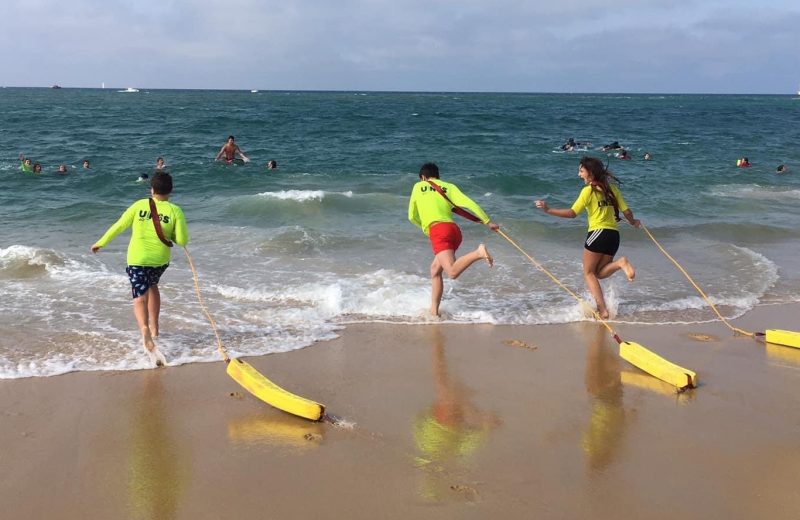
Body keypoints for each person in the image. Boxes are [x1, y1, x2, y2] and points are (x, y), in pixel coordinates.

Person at [91, 172, 189, 367]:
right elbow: (182, 241)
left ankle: (144, 328)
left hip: (137, 259)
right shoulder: (175, 210)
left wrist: (100, 243)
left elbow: (119, 226)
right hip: (159, 260)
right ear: (171, 191)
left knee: (139, 295)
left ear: (151, 189)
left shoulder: (138, 206)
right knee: (153, 286)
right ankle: (155, 327)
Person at [535, 156, 640, 320]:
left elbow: (572, 213)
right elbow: (626, 212)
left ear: (590, 173)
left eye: (581, 171)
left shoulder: (588, 191)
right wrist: (633, 222)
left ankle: (603, 310)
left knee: (588, 273)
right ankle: (620, 263)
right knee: (598, 273)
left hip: (597, 234)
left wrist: (548, 210)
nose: (579, 174)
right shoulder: (612, 189)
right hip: (614, 236)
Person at [408, 162, 499, 317]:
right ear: (438, 176)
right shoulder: (448, 187)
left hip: (438, 230)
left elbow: (412, 216)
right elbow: (470, 203)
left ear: (423, 177)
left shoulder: (418, 186)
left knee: (451, 272)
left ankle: (478, 253)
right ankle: (434, 312)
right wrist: (487, 221)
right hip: (454, 231)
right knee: (435, 270)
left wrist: (427, 229)